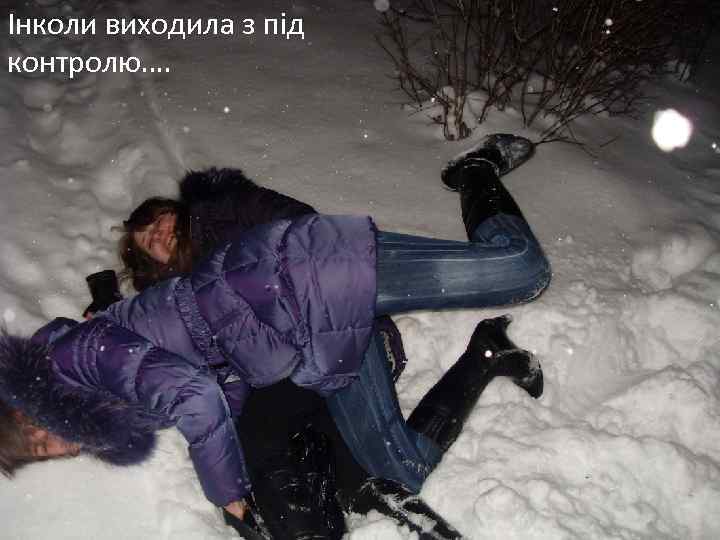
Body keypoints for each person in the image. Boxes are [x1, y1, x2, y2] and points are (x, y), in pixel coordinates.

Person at [0, 133, 550, 538]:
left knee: (521, 271)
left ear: (30, 408)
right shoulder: (107, 390)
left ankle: (475, 171)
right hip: (316, 339)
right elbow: (221, 383)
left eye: (39, 435)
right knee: (395, 469)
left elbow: (195, 394)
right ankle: (486, 352)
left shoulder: (81, 355)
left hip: (307, 280)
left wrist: (227, 492)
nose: (55, 444)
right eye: (44, 453)